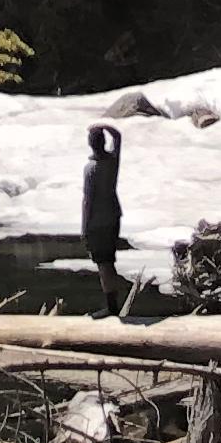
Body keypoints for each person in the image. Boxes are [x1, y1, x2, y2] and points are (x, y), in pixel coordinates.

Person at [81, 120, 125, 307]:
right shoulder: (112, 162)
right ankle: (114, 302)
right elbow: (118, 137)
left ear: (90, 144)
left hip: (97, 222)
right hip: (113, 217)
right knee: (109, 261)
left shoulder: (91, 169)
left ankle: (111, 306)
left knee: (103, 264)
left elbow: (88, 201)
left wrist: (84, 228)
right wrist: (104, 126)